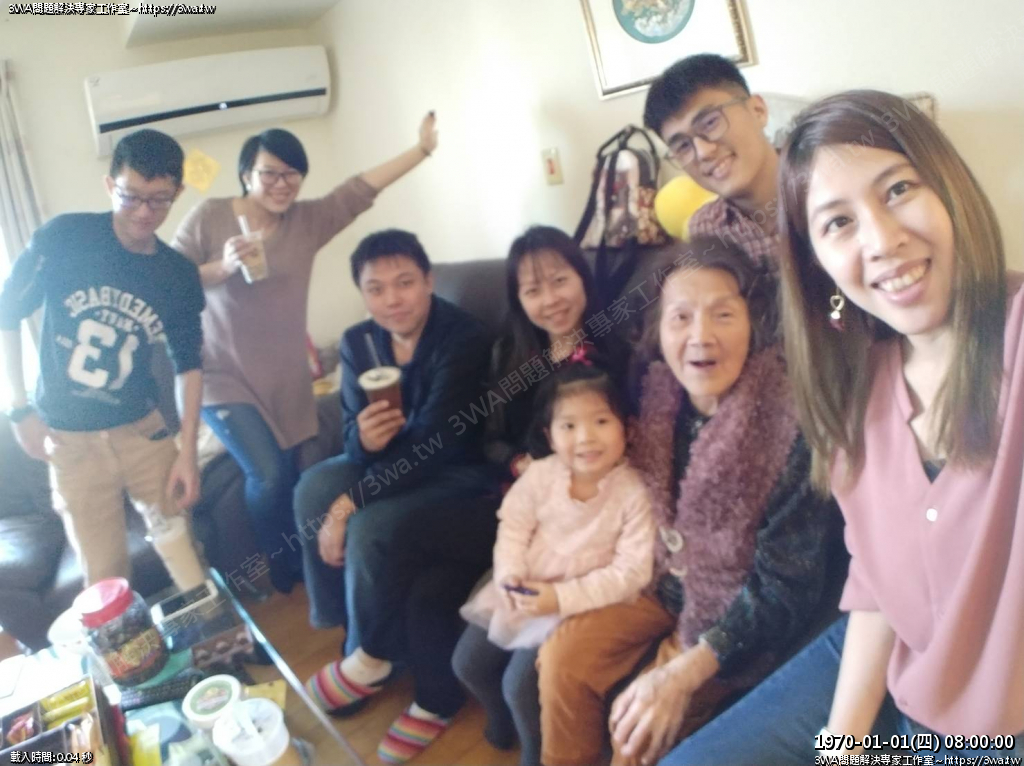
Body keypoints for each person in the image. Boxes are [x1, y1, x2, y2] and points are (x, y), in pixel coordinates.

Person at [662, 90, 1024, 765]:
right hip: (891, 661)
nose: (882, 241)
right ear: (818, 265)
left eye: (899, 189)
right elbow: (881, 590)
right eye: (837, 223)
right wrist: (843, 748)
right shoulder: (857, 387)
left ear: (950, 186)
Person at [536, 239, 841, 766]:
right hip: (654, 582)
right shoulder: (652, 395)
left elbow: (786, 588)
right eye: (681, 317)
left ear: (754, 323)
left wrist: (687, 669)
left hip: (727, 611)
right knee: (562, 659)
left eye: (722, 314)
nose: (700, 336)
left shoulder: (792, 429)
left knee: (637, 731)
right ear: (659, 328)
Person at [171, 113, 438, 592]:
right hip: (222, 376)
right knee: (268, 475)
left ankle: (304, 563)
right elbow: (169, 279)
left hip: (286, 377)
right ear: (246, 174)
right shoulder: (210, 215)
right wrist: (222, 266)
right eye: (269, 173)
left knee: (295, 475)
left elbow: (358, 190)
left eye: (292, 174)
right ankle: (282, 567)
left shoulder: (307, 222)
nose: (282, 184)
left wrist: (420, 151)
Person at [299, 228, 500, 764]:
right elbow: (350, 430)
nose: (393, 300)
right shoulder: (358, 342)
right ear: (363, 294)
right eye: (376, 288)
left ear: (429, 281)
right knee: (313, 488)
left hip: (455, 471)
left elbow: (436, 446)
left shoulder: (462, 339)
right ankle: (350, 633)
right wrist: (362, 443)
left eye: (405, 283)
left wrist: (350, 503)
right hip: (388, 464)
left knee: (367, 524)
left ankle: (373, 657)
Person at [0, 129, 206, 589]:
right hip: (71, 440)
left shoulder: (176, 274)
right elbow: (7, 311)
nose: (144, 212)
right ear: (110, 184)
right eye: (131, 196)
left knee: (184, 551)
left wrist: (188, 452)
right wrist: (18, 408)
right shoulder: (64, 238)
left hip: (143, 431)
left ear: (177, 193)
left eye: (159, 199)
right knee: (104, 580)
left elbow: (189, 365)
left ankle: (214, 630)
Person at [452, 356, 654, 766]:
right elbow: (513, 525)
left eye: (601, 421)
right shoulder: (542, 474)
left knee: (520, 688)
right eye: (569, 426)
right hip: (524, 586)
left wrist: (558, 599)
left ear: (626, 429)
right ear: (549, 434)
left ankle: (534, 752)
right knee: (467, 664)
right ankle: (499, 720)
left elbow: (631, 572)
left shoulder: (634, 492)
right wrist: (509, 574)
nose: (586, 438)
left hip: (576, 604)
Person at [486, 225, 632, 483]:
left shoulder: (618, 354)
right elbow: (490, 439)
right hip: (527, 487)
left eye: (559, 281)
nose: (551, 300)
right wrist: (517, 463)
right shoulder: (509, 356)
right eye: (533, 291)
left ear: (583, 278)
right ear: (519, 301)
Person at [643, 54, 780, 270]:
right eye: (683, 146)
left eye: (710, 123)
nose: (703, 152)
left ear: (757, 111)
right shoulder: (706, 231)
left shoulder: (824, 183)